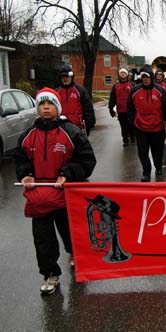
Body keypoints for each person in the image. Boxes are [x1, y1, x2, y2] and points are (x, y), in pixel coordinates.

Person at [14, 87, 96, 296]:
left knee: (69, 233)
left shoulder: (71, 132)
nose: (46, 108)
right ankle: (51, 275)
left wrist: (67, 174)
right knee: (43, 240)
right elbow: (21, 160)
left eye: (50, 103)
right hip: (38, 200)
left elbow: (86, 160)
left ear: (57, 107)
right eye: (42, 104)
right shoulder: (28, 136)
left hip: (64, 196)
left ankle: (76, 255)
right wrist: (26, 174)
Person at [127, 65, 166, 182]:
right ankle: (146, 172)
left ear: (151, 78)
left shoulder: (160, 91)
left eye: (147, 77)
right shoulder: (135, 91)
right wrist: (131, 122)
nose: (145, 79)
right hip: (140, 127)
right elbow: (130, 108)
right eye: (143, 77)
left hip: (157, 127)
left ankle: (158, 167)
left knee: (157, 150)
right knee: (142, 152)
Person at [55, 65, 96, 136]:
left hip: (78, 127)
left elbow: (88, 108)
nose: (65, 79)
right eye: (63, 77)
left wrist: (89, 124)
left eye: (67, 77)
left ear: (71, 77)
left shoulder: (80, 91)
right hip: (61, 128)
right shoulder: (56, 92)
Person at [108, 68, 135, 146]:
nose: (123, 74)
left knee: (131, 124)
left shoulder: (132, 85)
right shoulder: (116, 86)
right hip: (121, 110)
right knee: (123, 126)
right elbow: (112, 97)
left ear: (127, 75)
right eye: (121, 73)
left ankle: (133, 137)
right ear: (120, 75)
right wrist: (111, 108)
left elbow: (136, 96)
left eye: (124, 73)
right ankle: (125, 139)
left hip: (131, 110)